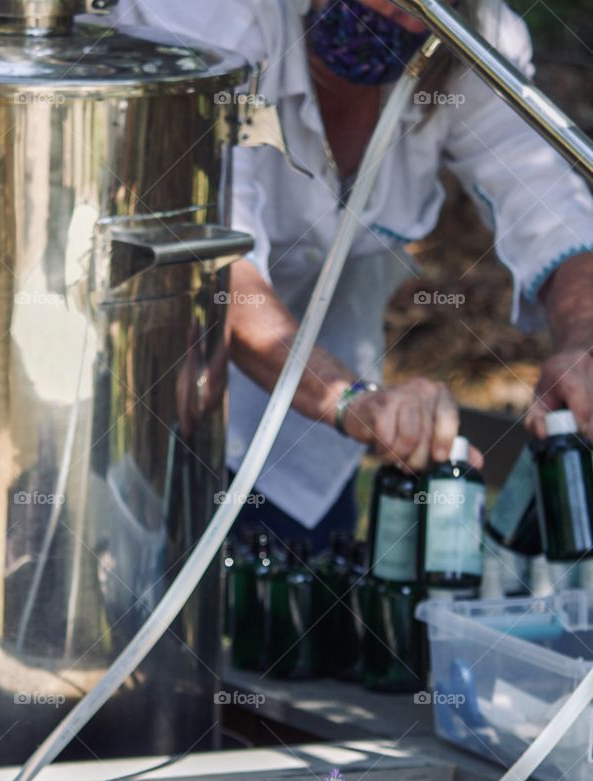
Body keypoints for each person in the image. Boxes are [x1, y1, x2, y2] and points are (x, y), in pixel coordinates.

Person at [114, 0, 593, 547]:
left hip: (311, 434)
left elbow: (552, 206)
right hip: (151, 395)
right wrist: (349, 400)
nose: (405, 17)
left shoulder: (467, 37)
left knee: (306, 612)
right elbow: (218, 265)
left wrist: (581, 342)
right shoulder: (209, 16)